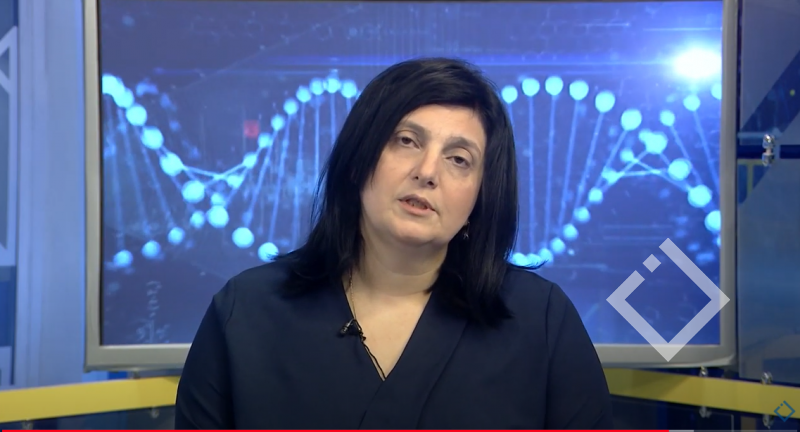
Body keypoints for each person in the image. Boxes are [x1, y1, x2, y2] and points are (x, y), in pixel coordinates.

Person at [174, 57, 613, 429]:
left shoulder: (541, 321)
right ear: (357, 162)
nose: (427, 171)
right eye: (406, 141)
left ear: (480, 198)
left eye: (459, 159)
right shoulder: (245, 313)